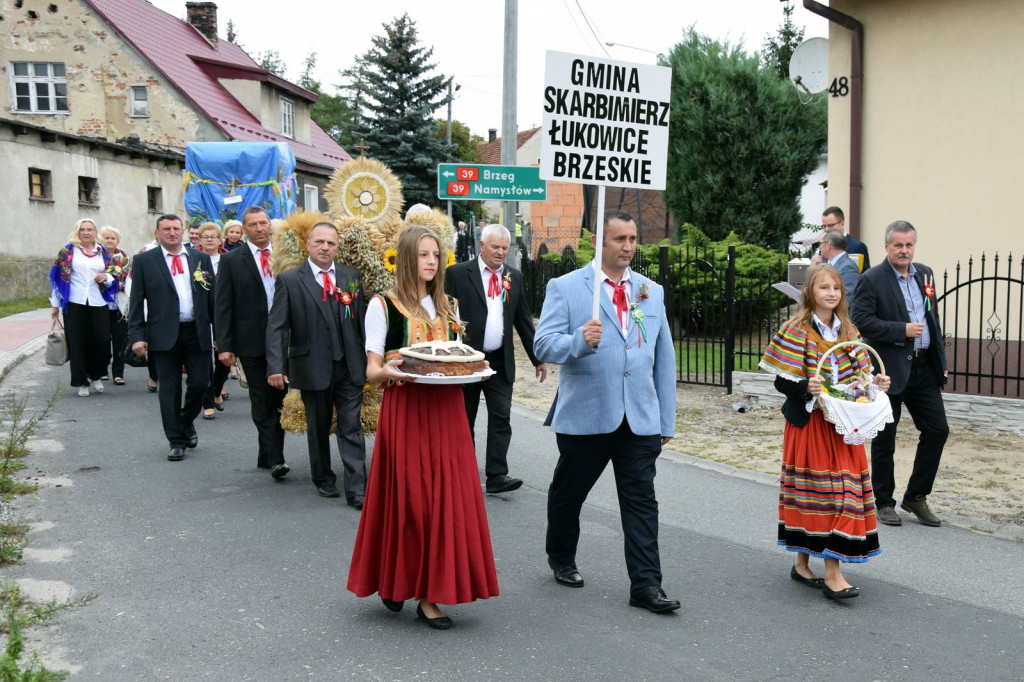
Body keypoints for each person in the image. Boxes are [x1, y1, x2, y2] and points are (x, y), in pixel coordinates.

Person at [347, 224, 499, 630]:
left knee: (446, 502)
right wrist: (393, 368)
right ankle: (397, 580)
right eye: (424, 255)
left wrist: (477, 370)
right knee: (410, 500)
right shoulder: (384, 305)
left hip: (448, 410)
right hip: (407, 410)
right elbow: (372, 372)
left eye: (437, 255)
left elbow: (460, 357)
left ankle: (430, 596)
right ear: (407, 258)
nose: (432, 262)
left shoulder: (450, 305)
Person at [533, 210, 679, 614]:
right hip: (586, 416)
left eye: (633, 239)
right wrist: (578, 340)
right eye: (620, 239)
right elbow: (543, 345)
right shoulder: (566, 287)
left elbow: (663, 359)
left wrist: (665, 418)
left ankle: (646, 585)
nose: (629, 247)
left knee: (641, 503)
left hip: (639, 418)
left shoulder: (650, 291)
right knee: (569, 493)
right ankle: (561, 556)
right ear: (601, 241)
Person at [760, 263, 891, 600]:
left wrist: (874, 382)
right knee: (819, 495)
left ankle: (819, 565)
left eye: (836, 288)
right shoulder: (796, 330)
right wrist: (807, 386)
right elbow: (780, 380)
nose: (831, 293)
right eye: (824, 288)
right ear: (810, 293)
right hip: (811, 426)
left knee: (844, 493)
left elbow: (860, 376)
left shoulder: (850, 331)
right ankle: (819, 570)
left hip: (844, 425)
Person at [851, 220, 949, 527]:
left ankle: (916, 496)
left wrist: (940, 358)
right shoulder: (873, 278)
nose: (904, 251)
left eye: (908, 245)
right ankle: (884, 501)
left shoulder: (925, 274)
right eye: (898, 245)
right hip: (887, 370)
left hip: (924, 369)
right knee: (885, 439)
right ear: (887, 247)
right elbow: (862, 321)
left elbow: (932, 321)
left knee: (937, 430)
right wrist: (901, 331)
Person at [267, 223, 368, 505]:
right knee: (318, 426)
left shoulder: (352, 276)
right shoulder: (289, 280)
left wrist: (373, 358)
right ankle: (323, 477)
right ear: (308, 245)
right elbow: (277, 327)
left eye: (331, 243)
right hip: (312, 366)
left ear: (337, 247)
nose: (326, 248)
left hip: (349, 365)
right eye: (320, 242)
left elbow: (361, 321)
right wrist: (276, 366)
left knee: (351, 426)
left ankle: (357, 488)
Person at [445, 223, 547, 494]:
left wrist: (537, 358)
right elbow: (443, 314)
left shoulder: (513, 276)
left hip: (500, 362)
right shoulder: (457, 273)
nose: (501, 252)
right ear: (481, 245)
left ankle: (497, 476)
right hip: (466, 361)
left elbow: (523, 319)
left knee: (501, 418)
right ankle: (462, 473)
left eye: (505, 247)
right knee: (464, 420)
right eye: (495, 247)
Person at [128, 214, 215, 461]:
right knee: (169, 387)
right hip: (163, 334)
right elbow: (136, 302)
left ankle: (186, 419)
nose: (172, 232)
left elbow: (212, 298)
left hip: (196, 330)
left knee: (201, 382)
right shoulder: (144, 261)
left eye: (176, 228)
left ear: (184, 231)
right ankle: (176, 440)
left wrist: (221, 335)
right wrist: (137, 336)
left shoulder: (200, 259)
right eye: (166, 229)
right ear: (157, 233)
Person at [215, 206, 289, 479]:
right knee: (261, 398)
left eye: (263, 223)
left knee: (281, 397)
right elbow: (222, 306)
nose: (259, 228)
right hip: (251, 340)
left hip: (285, 339)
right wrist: (225, 345)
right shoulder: (232, 260)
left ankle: (267, 453)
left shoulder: (286, 254)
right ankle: (276, 458)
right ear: (243, 229)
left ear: (270, 225)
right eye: (253, 225)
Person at [48, 219, 119, 397]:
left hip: (98, 301)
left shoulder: (102, 252)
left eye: (90, 230)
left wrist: (105, 277)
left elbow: (113, 274)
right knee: (77, 342)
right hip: (74, 302)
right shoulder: (68, 251)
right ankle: (82, 381)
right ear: (77, 232)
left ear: (96, 233)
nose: (86, 233)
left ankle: (96, 375)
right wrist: (55, 305)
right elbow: (58, 278)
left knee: (101, 340)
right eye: (83, 230)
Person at [196, 223, 230, 421]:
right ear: (199, 240)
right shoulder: (194, 260)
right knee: (204, 358)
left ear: (220, 240)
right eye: (205, 236)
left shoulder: (227, 260)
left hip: (224, 314)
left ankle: (216, 390)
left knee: (224, 359)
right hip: (203, 314)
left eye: (213, 236)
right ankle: (207, 402)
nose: (209, 239)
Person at [99, 225, 130, 386]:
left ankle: (118, 373)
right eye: (106, 238)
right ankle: (102, 370)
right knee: (103, 339)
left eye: (113, 238)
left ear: (118, 241)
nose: (110, 241)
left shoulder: (124, 259)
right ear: (100, 240)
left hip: (120, 305)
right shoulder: (96, 258)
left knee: (120, 340)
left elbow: (130, 280)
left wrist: (122, 286)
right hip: (101, 304)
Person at [813, 207, 870, 271]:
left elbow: (864, 275)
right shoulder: (823, 246)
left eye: (830, 225)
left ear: (842, 223)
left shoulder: (857, 246)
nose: (827, 229)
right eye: (824, 226)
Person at [818, 230, 860, 305]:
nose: (819, 246)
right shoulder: (828, 263)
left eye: (820, 243)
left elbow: (847, 300)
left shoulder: (848, 268)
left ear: (828, 245)